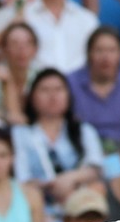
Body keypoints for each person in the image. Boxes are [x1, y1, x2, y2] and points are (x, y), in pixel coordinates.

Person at [12, 68, 103, 211]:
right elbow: (21, 179)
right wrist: (51, 185)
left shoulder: (85, 130)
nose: (53, 96)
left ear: (68, 95)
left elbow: (96, 169)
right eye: (45, 90)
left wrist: (71, 178)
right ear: (32, 97)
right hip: (38, 208)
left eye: (59, 89)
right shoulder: (20, 133)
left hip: (80, 207)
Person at [67, 27, 120, 147]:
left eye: (112, 50)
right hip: (80, 147)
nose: (105, 57)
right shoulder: (70, 82)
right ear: (88, 54)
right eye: (99, 50)